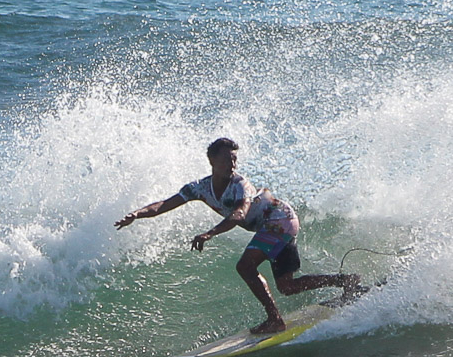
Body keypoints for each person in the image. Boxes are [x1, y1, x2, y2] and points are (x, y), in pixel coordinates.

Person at [116, 137, 361, 334]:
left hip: (279, 221)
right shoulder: (199, 188)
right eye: (226, 159)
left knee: (245, 266)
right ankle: (345, 281)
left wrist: (210, 233)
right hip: (277, 224)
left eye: (234, 160)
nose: (232, 164)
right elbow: (164, 204)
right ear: (212, 161)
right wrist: (137, 214)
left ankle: (275, 320)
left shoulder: (240, 185)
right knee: (286, 286)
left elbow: (240, 213)